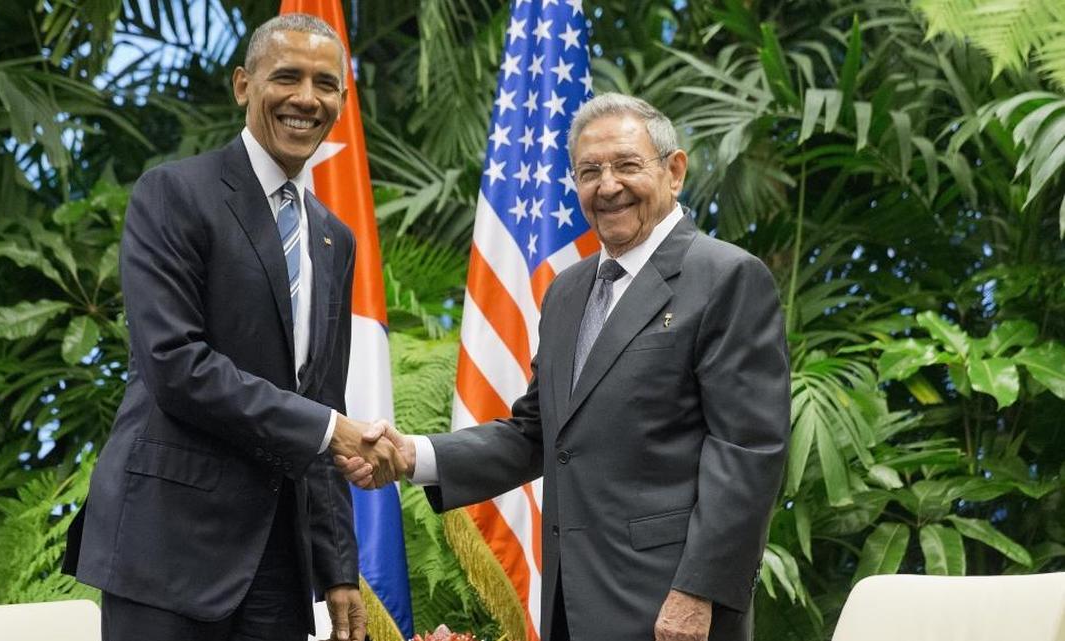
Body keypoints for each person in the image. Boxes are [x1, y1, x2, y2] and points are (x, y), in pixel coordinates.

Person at [339, 94, 790, 641]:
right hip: (569, 605)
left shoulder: (725, 277)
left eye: (627, 165)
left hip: (672, 607)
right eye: (588, 172)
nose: (607, 186)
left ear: (674, 171)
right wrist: (414, 455)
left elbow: (748, 453)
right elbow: (538, 433)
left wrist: (699, 593)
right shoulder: (567, 292)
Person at [62, 13, 404, 641]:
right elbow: (176, 366)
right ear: (243, 84)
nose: (307, 98)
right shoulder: (173, 194)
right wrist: (330, 430)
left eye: (326, 84)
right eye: (288, 77)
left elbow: (323, 400)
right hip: (168, 549)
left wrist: (339, 568)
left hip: (278, 563)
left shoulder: (335, 237)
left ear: (342, 101)